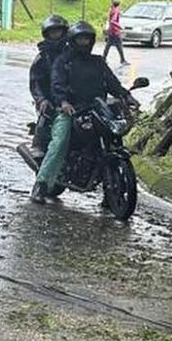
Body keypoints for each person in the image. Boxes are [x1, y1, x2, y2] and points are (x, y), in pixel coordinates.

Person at [30, 21, 138, 204]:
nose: (83, 42)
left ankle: (109, 193)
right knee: (60, 141)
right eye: (80, 39)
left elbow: (112, 82)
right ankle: (40, 185)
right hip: (70, 109)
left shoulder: (98, 62)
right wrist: (63, 101)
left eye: (87, 39)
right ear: (73, 40)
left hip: (96, 108)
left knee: (110, 138)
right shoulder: (63, 61)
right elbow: (57, 84)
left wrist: (126, 96)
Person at [28, 15, 69, 158]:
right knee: (47, 112)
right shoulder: (42, 57)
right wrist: (41, 99)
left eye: (58, 31)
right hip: (49, 97)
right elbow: (35, 82)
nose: (56, 35)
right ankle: (38, 144)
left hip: (70, 96)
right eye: (53, 32)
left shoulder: (72, 53)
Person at [102, 0, 127, 65]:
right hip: (115, 31)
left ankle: (103, 58)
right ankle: (122, 60)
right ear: (119, 5)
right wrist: (120, 27)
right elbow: (113, 21)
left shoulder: (112, 10)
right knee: (119, 45)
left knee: (109, 45)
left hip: (111, 31)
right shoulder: (116, 11)